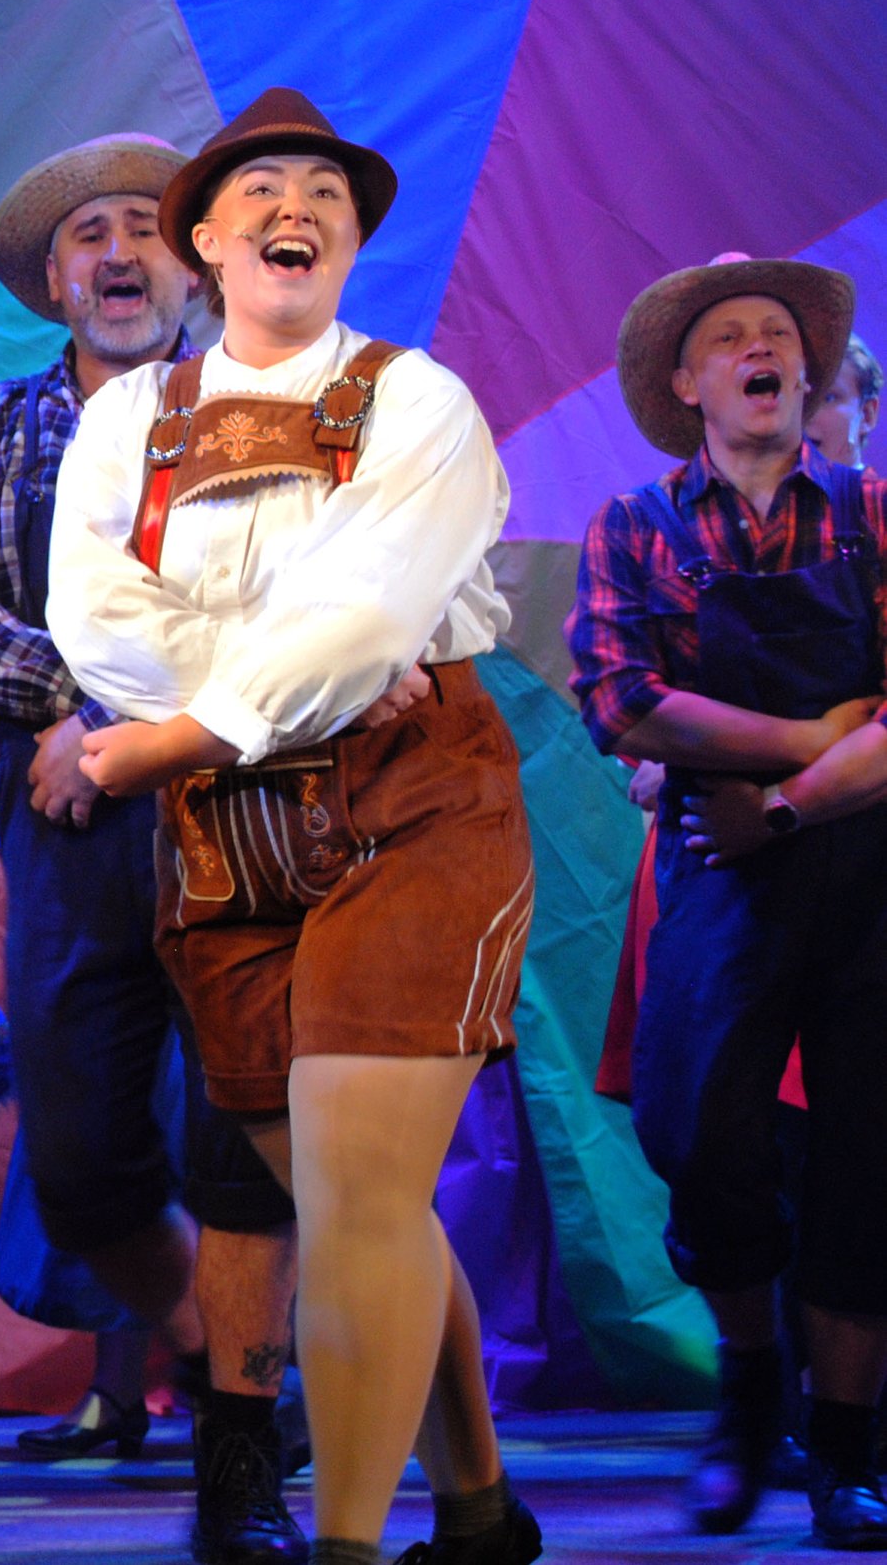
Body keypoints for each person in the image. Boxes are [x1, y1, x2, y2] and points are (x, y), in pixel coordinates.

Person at [46, 88, 541, 1565]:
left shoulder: (418, 400)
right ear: (204, 239)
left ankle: (343, 1548)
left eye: (325, 191)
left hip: (413, 803)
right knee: (352, 1188)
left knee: (359, 1191)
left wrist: (181, 732)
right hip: (226, 836)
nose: (296, 207)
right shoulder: (128, 418)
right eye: (260, 186)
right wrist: (271, 689)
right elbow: (98, 617)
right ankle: (478, 1510)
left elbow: (378, 611)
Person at [0, 132, 306, 1561]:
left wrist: (128, 716)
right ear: (54, 279)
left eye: (145, 226)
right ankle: (217, 1360)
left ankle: (241, 1452)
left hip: (238, 805)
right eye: (90, 236)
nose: (120, 252)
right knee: (80, 1167)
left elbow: (291, 608)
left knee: (246, 1146)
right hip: (67, 821)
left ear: (191, 260)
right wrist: (78, 704)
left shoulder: (262, 410)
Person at [568, 252, 887, 1548]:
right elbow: (622, 699)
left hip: (866, 863)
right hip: (716, 867)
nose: (760, 349)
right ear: (691, 380)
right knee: (698, 1131)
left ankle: (849, 1455)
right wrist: (814, 730)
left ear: (807, 373)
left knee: (869, 1158)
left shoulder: (874, 510)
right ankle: (753, 1380)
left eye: (779, 335)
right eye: (731, 337)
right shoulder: (635, 525)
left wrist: (795, 799)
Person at [807, 332, 881, 469]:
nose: (805, 413)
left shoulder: (875, 490)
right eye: (800, 396)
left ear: (866, 415)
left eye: (827, 398)